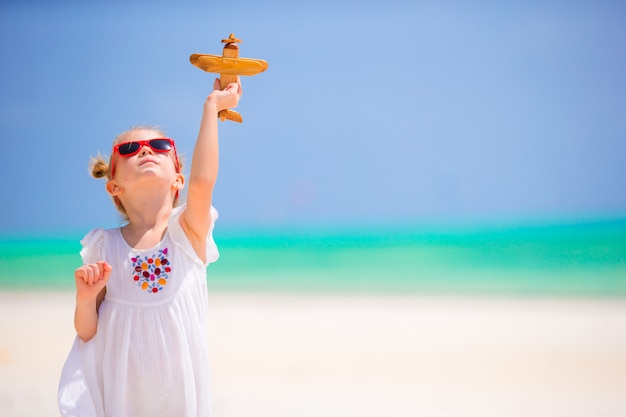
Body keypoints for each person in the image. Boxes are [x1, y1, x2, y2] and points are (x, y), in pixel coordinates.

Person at [58, 77, 243, 417]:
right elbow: (87, 332)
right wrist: (85, 298)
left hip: (179, 397)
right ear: (114, 186)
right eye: (128, 149)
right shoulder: (104, 246)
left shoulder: (186, 233)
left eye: (160, 146)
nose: (145, 150)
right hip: (123, 397)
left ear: (178, 179)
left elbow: (204, 183)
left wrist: (211, 107)